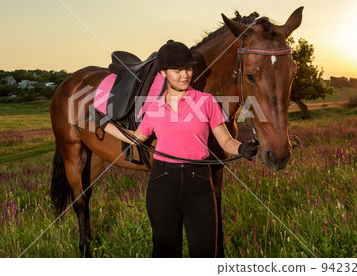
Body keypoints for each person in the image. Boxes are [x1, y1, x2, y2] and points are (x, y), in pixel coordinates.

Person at [103, 40, 258, 258]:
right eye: (178, 70)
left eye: (188, 68)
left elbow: (225, 141)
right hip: (162, 183)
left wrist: (242, 148)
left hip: (199, 183)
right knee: (166, 255)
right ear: (164, 72)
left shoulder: (207, 101)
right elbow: (138, 139)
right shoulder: (154, 107)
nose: (185, 75)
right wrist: (105, 125)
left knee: (206, 253)